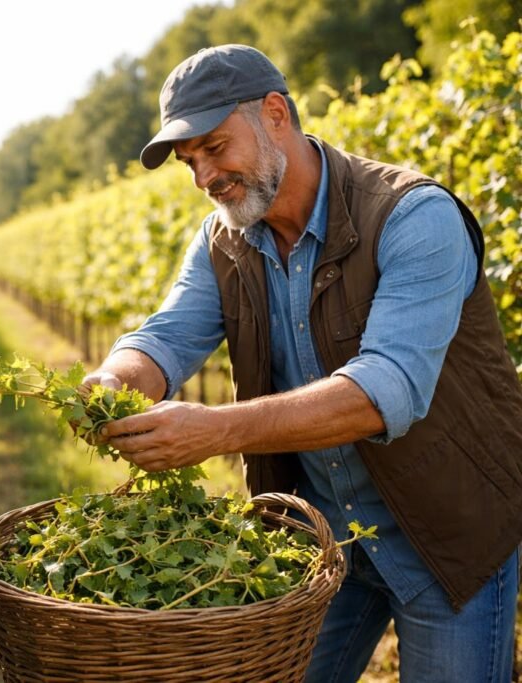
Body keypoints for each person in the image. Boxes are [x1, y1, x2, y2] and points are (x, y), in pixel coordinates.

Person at [84, 44, 522, 682]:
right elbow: (167, 335)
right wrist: (113, 379)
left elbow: (385, 390)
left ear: (275, 112)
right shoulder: (225, 240)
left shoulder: (413, 217)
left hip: (447, 534)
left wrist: (215, 429)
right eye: (190, 161)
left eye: (215, 147)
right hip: (320, 541)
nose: (205, 176)